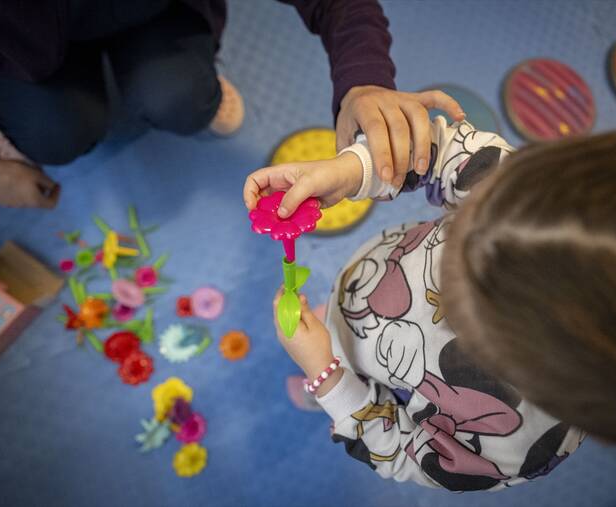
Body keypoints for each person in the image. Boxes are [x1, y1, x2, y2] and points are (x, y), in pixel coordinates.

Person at [246, 115, 586, 491]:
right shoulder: (533, 200)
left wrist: (327, 378)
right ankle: (335, 331)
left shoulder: (521, 445)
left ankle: (323, 388)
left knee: (330, 375)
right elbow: (442, 148)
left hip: (379, 386)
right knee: (333, 320)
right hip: (364, 285)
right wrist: (353, 169)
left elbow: (404, 452)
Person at [0, 0, 464, 208]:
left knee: (180, 97)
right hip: (26, 46)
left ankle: (193, 82)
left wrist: (364, 83)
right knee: (53, 136)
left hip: (159, 16)